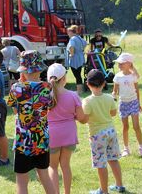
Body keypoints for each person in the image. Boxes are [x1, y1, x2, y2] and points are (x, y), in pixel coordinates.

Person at [7, 50, 55, 194]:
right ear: (39, 68)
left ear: (23, 70)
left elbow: (15, 110)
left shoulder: (16, 88)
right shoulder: (47, 87)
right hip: (41, 140)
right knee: (45, 176)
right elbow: (50, 107)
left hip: (23, 142)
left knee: (22, 181)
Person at [81, 69, 125, 194]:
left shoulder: (87, 101)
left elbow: (84, 120)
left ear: (88, 84)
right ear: (104, 83)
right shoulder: (109, 98)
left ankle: (104, 191)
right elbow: (113, 113)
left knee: (101, 164)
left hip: (97, 135)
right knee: (113, 159)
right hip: (111, 131)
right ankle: (119, 185)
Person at [47, 63, 85, 194]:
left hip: (52, 135)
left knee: (52, 166)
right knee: (65, 165)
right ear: (64, 78)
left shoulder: (45, 96)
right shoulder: (73, 95)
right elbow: (81, 117)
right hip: (69, 134)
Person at [112, 53, 142, 157]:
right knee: (125, 127)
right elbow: (115, 91)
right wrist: (113, 96)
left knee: (136, 126)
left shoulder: (133, 76)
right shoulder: (117, 77)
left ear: (129, 63)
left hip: (133, 102)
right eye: (119, 63)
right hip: (123, 103)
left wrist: (138, 103)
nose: (119, 65)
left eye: (121, 63)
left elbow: (137, 90)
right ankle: (126, 148)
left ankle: (141, 147)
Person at [65, 25, 87, 95]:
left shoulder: (72, 39)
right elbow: (85, 43)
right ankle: (80, 90)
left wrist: (72, 54)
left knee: (77, 75)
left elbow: (71, 46)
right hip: (80, 58)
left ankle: (79, 91)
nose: (67, 34)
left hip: (75, 59)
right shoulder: (79, 37)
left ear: (71, 32)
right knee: (78, 75)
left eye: (68, 32)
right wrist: (80, 50)